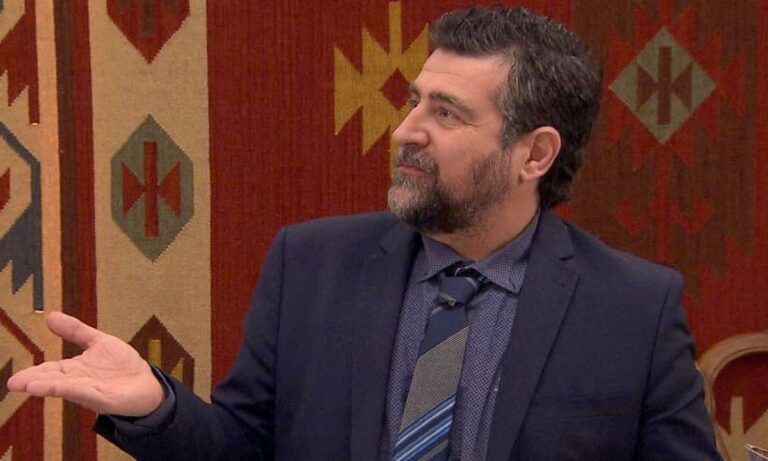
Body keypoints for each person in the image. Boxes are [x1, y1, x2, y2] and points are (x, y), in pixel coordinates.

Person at [8, 6, 721, 461]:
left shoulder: (634, 309)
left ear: (534, 154)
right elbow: (243, 448)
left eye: (446, 113)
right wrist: (158, 406)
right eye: (415, 101)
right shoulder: (310, 265)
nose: (406, 130)